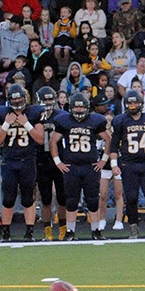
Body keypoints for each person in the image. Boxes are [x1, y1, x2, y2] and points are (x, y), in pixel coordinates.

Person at [52, 91, 111, 240]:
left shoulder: (95, 120)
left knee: (92, 199)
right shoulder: (63, 121)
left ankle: (96, 230)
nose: (79, 110)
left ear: (87, 107)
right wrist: (58, 162)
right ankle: (70, 232)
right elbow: (53, 141)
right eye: (76, 107)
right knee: (71, 200)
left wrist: (103, 159)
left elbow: (108, 139)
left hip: (90, 166)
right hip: (71, 166)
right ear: (71, 107)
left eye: (81, 107)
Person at [0, 83, 46, 242]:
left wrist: (26, 123)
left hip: (27, 160)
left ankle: (29, 232)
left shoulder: (33, 112)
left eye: (19, 99)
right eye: (13, 100)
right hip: (9, 160)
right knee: (8, 198)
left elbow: (40, 139)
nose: (17, 102)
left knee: (28, 197)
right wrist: (7, 124)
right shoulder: (2, 113)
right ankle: (6, 232)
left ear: (25, 98)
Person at [110, 89, 145, 239]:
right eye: (130, 102)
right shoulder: (121, 121)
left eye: (135, 102)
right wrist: (114, 164)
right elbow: (114, 145)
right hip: (128, 164)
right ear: (125, 104)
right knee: (132, 198)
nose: (133, 105)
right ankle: (134, 228)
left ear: (141, 104)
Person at [32, 87, 67, 241]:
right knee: (45, 198)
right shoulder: (34, 115)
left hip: (59, 159)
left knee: (62, 197)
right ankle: (47, 231)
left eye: (50, 99)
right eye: (45, 99)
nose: (47, 103)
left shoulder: (62, 116)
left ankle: (63, 229)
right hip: (41, 159)